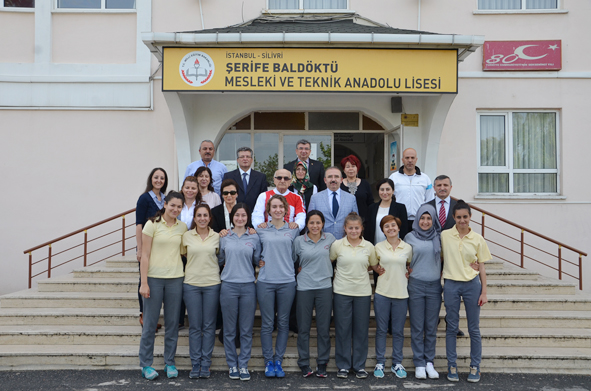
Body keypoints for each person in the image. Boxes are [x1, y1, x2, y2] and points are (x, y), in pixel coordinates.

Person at [138, 191, 187, 381]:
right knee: (150, 324)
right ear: (165, 204)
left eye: (179, 206)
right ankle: (146, 364)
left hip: (175, 279)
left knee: (173, 324)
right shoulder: (152, 225)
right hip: (154, 279)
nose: (175, 209)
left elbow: (184, 252)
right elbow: (145, 256)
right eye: (172, 205)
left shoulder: (182, 227)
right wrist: (144, 283)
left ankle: (169, 362)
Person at [442, 200, 491, 383]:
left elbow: (483, 268)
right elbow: (439, 257)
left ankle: (475, 366)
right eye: (459, 217)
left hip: (472, 284)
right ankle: (452, 365)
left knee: (473, 328)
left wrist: (484, 292)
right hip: (451, 284)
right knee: (452, 327)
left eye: (465, 217)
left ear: (470, 217)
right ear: (453, 217)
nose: (462, 220)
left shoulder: (478, 239)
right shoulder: (445, 235)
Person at [256, 195, 300, 378]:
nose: (277, 210)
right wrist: (259, 261)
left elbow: (296, 255)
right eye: (274, 207)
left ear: (286, 210)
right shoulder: (261, 230)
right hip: (266, 281)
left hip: (287, 281)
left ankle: (278, 361)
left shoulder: (294, 230)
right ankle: (268, 361)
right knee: (267, 323)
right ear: (268, 210)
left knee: (283, 323)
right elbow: (256, 253)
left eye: (281, 207)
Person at [330, 212, 378, 380]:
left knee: (360, 330)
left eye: (356, 228)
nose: (353, 231)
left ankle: (359, 366)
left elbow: (373, 265)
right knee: (342, 330)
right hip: (342, 291)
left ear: (361, 228)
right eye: (350, 228)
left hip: (362, 292)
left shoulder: (369, 246)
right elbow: (330, 261)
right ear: (345, 228)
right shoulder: (337, 245)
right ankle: (343, 366)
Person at [218, 203, 261, 381]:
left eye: (243, 215)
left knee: (245, 329)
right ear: (232, 217)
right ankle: (232, 365)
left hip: (248, 286)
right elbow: (220, 258)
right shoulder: (225, 237)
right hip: (228, 285)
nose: (240, 218)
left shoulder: (254, 237)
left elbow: (258, 259)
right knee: (229, 330)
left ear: (247, 217)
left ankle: (243, 364)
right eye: (237, 215)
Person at [292, 210, 336, 378]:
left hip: (324, 286)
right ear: (307, 224)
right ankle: (304, 362)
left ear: (323, 224)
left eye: (318, 223)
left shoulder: (330, 239)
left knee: (323, 328)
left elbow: (335, 257)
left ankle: (322, 362)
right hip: (304, 287)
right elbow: (292, 260)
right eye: (311, 223)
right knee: (303, 328)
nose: (315, 226)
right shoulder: (298, 241)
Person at [181, 203, 220, 379]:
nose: (202, 219)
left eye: (205, 215)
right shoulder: (187, 236)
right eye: (199, 215)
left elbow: (221, 257)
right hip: (191, 284)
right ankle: (195, 363)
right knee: (195, 326)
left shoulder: (217, 237)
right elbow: (183, 255)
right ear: (194, 218)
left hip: (212, 284)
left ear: (209, 218)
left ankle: (206, 363)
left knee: (209, 326)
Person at [404, 204, 442, 380]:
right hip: (416, 285)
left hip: (435, 286)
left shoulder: (440, 237)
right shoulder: (409, 237)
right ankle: (419, 362)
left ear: (433, 219)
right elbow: (403, 258)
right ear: (417, 219)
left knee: (431, 327)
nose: (425, 222)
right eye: (422, 218)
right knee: (418, 327)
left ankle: (429, 362)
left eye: (429, 218)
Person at [372, 215, 413, 379]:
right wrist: (377, 270)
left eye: (393, 225)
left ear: (398, 227)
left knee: (398, 331)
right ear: (383, 230)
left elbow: (409, 264)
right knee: (381, 330)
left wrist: (408, 272)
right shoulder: (378, 247)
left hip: (401, 294)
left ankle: (397, 363)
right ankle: (380, 362)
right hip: (382, 293)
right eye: (386, 226)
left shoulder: (407, 247)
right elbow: (373, 264)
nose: (390, 228)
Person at [424, 175, 464, 337]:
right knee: (433, 290)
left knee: (452, 291)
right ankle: (432, 321)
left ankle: (452, 323)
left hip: (453, 256)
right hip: (431, 255)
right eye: (439, 185)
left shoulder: (459, 206)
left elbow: (464, 230)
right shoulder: (426, 206)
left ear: (450, 187)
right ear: (434, 188)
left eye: (445, 185)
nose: (442, 188)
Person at [135, 168, 168, 329]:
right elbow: (139, 224)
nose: (159, 180)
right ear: (151, 179)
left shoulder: (165, 199)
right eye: (156, 177)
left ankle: (152, 316)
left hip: (161, 246)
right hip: (147, 243)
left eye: (162, 178)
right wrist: (140, 249)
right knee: (144, 278)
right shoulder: (144, 198)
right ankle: (144, 315)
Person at [388, 148, 434, 229]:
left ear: (416, 160)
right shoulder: (393, 178)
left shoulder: (425, 178)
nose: (410, 160)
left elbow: (430, 200)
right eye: (407, 158)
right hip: (399, 219)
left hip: (419, 220)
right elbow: (389, 199)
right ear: (402, 159)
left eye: (412, 158)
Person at [308, 167, 358, 239]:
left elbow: (355, 221)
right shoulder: (315, 198)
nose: (333, 179)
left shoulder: (351, 198)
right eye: (330, 177)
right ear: (325, 180)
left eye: (336, 177)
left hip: (344, 241)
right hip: (322, 242)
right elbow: (310, 222)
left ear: (341, 180)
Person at [178, 175, 201, 329]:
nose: (190, 190)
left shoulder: (201, 207)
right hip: (176, 251)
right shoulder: (176, 205)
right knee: (178, 286)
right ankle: (179, 320)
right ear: (182, 188)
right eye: (187, 187)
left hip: (193, 251)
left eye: (193, 188)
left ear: (197, 189)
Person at [222, 147, 269, 213]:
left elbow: (264, 198)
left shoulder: (261, 177)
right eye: (242, 157)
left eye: (247, 156)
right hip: (234, 214)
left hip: (254, 214)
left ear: (252, 160)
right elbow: (224, 196)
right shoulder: (228, 176)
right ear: (237, 160)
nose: (245, 159)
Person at [365, 178, 409, 245]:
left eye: (388, 189)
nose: (385, 192)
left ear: (393, 191)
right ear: (378, 191)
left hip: (394, 248)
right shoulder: (372, 208)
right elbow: (368, 230)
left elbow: (404, 230)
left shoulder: (400, 208)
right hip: (375, 246)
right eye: (382, 189)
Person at [340, 155, 374, 220]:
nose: (351, 169)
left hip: (363, 221)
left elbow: (370, 203)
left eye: (353, 166)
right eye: (347, 167)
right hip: (343, 221)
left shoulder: (365, 184)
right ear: (344, 170)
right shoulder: (339, 184)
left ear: (357, 168)